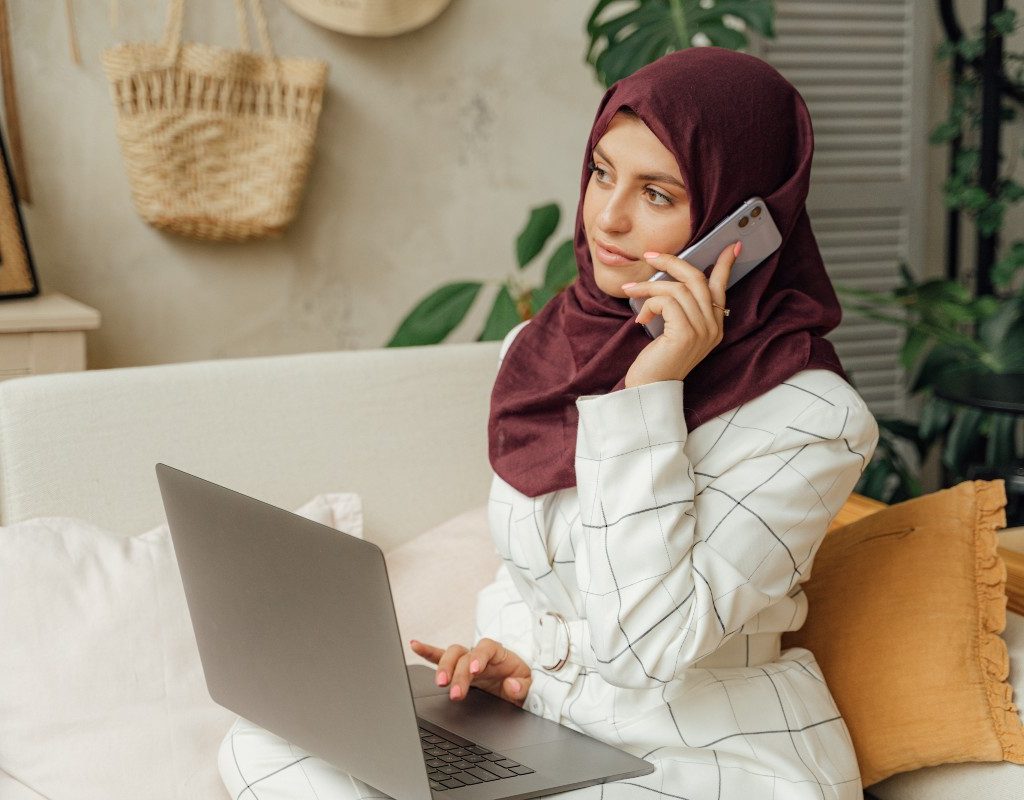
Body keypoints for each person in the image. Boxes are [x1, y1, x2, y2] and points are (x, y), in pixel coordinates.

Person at [219, 46, 879, 799]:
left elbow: (642, 645)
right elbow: (531, 573)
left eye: (657, 194)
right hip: (551, 730)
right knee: (263, 744)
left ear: (740, 225)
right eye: (602, 173)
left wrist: (649, 391)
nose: (608, 216)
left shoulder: (815, 418)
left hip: (703, 757)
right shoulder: (542, 351)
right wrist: (518, 663)